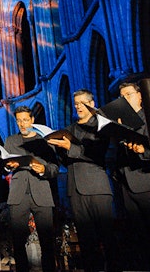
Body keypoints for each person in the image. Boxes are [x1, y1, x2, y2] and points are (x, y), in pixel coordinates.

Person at [47, 90, 116, 272]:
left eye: (82, 103)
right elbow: (65, 161)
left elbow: (98, 154)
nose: (78, 106)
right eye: (76, 103)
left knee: (108, 238)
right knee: (86, 241)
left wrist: (71, 147)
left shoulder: (100, 126)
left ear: (92, 103)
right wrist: (58, 148)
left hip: (97, 187)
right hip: (75, 189)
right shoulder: (69, 129)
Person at [113, 81, 150, 271]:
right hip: (127, 183)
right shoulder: (119, 120)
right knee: (140, 237)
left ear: (140, 96)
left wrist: (143, 150)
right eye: (121, 96)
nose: (124, 99)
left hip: (148, 181)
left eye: (128, 94)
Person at [3, 106, 57, 272]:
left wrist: (44, 170)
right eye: (19, 121)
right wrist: (7, 167)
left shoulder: (45, 141)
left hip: (41, 192)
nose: (22, 124)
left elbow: (55, 168)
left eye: (25, 120)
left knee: (47, 240)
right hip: (18, 194)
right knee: (18, 241)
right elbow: (3, 166)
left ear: (32, 120)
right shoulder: (11, 141)